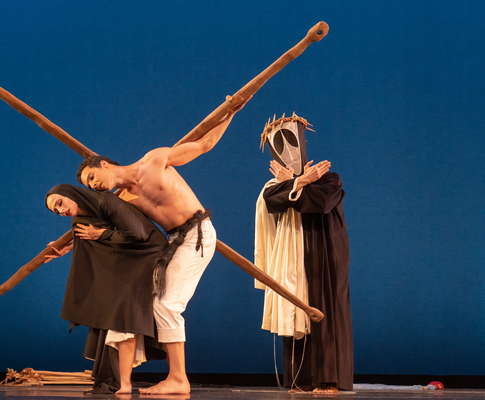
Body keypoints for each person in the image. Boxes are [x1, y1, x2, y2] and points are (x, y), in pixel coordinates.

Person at [75, 100, 248, 395]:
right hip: (173, 243)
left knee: (167, 305)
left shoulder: (154, 160)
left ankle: (179, 379)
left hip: (197, 234)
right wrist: (66, 245)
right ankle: (162, 376)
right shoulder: (123, 201)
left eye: (92, 178)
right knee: (152, 303)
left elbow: (203, 145)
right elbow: (104, 228)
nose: (95, 186)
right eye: (89, 186)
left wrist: (230, 113)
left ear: (102, 164)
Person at [255, 114, 353, 393]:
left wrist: (299, 183)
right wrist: (296, 184)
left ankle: (329, 379)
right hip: (291, 258)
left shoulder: (329, 178)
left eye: (291, 139)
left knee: (325, 309)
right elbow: (272, 201)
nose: (288, 151)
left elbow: (319, 202)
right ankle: (301, 379)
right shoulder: (274, 187)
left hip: (325, 254)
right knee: (294, 308)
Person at [45, 184, 168, 394]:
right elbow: (89, 234)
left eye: (60, 203)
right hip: (125, 263)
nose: (61, 210)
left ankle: (124, 382)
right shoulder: (80, 218)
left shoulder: (105, 201)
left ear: (70, 194)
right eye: (56, 211)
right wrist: (68, 247)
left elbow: (137, 234)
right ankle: (120, 381)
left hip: (146, 257)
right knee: (114, 322)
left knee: (123, 320)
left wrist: (101, 235)